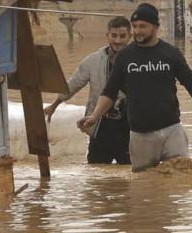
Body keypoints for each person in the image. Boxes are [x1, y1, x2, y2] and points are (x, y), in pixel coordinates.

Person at [80, 3, 192, 172]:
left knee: (182, 178)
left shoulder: (171, 53)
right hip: (140, 135)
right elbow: (109, 92)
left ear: (155, 27)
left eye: (142, 26)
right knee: (144, 187)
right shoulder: (125, 56)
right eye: (134, 26)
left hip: (172, 130)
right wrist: (95, 116)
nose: (137, 31)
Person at [45, 16, 132, 164]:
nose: (118, 41)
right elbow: (72, 85)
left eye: (122, 36)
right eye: (114, 35)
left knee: (131, 173)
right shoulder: (93, 60)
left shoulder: (138, 61)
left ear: (130, 36)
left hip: (129, 127)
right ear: (107, 36)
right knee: (96, 174)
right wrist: (54, 105)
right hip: (99, 125)